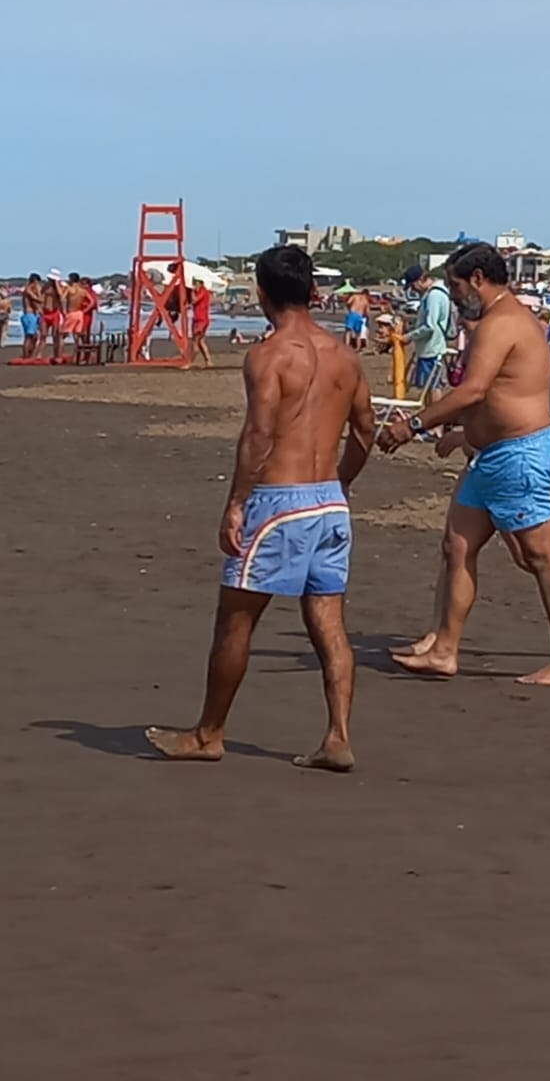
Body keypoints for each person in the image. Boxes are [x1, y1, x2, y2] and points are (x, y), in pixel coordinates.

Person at [146, 245, 376, 770]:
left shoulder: (270, 355)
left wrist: (236, 503)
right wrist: (341, 481)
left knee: (236, 620)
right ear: (312, 290)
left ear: (262, 292)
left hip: (278, 502)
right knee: (329, 622)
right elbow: (365, 430)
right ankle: (337, 736)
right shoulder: (344, 355)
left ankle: (209, 734)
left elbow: (259, 435)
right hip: (328, 503)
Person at [379, 243, 550, 684]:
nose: (453, 297)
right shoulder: (496, 321)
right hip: (490, 456)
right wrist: (462, 435)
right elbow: (491, 397)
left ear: (477, 280)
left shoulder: (502, 322)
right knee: (457, 546)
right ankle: (444, 650)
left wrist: (412, 425)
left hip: (518, 453)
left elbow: (472, 390)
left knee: (539, 556)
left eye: (455, 286)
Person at [402, 264, 452, 401]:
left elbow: (430, 326)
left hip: (431, 350)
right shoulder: (435, 294)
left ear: (420, 280)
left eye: (413, 286)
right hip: (430, 348)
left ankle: (435, 414)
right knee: (430, 387)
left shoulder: (434, 295)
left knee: (432, 386)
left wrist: (410, 336)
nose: (413, 290)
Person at [40, 271, 64, 361]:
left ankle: (56, 354)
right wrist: (41, 308)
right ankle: (39, 354)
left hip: (55, 312)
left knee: (55, 335)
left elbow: (61, 296)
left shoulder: (60, 287)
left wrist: (56, 284)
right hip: (45, 313)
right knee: (43, 335)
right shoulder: (46, 286)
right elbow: (41, 297)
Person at [190, 275, 214, 368]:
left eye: (196, 284)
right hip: (200, 319)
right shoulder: (202, 292)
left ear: (200, 283)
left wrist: (192, 291)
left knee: (195, 341)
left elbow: (194, 300)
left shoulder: (203, 292)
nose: (195, 286)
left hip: (201, 320)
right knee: (201, 341)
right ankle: (208, 361)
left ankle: (189, 362)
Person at [20, 273, 44, 358]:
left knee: (35, 337)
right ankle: (25, 356)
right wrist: (38, 290)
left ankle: (29, 355)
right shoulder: (28, 290)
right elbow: (40, 300)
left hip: (33, 315)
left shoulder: (31, 289)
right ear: (35, 281)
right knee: (29, 337)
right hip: (28, 315)